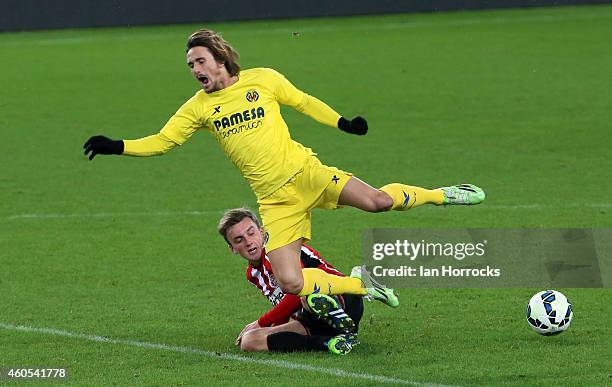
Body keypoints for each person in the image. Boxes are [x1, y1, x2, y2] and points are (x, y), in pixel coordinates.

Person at [83, 28, 485, 300]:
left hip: (306, 172)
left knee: (378, 201)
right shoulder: (197, 109)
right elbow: (163, 142)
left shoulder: (263, 80)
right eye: (190, 66)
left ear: (219, 58)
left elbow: (304, 101)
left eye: (200, 61)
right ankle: (358, 283)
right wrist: (117, 146)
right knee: (290, 282)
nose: (196, 70)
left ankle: (442, 194)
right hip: (275, 201)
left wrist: (342, 122)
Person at [219, 207, 392, 355]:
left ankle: (345, 304)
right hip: (311, 318)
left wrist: (260, 322)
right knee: (250, 341)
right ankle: (332, 342)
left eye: (251, 233)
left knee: (306, 295)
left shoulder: (277, 254)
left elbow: (295, 293)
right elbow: (283, 307)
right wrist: (266, 330)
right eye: (239, 240)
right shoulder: (253, 275)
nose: (249, 242)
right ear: (232, 249)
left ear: (262, 232)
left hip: (342, 298)